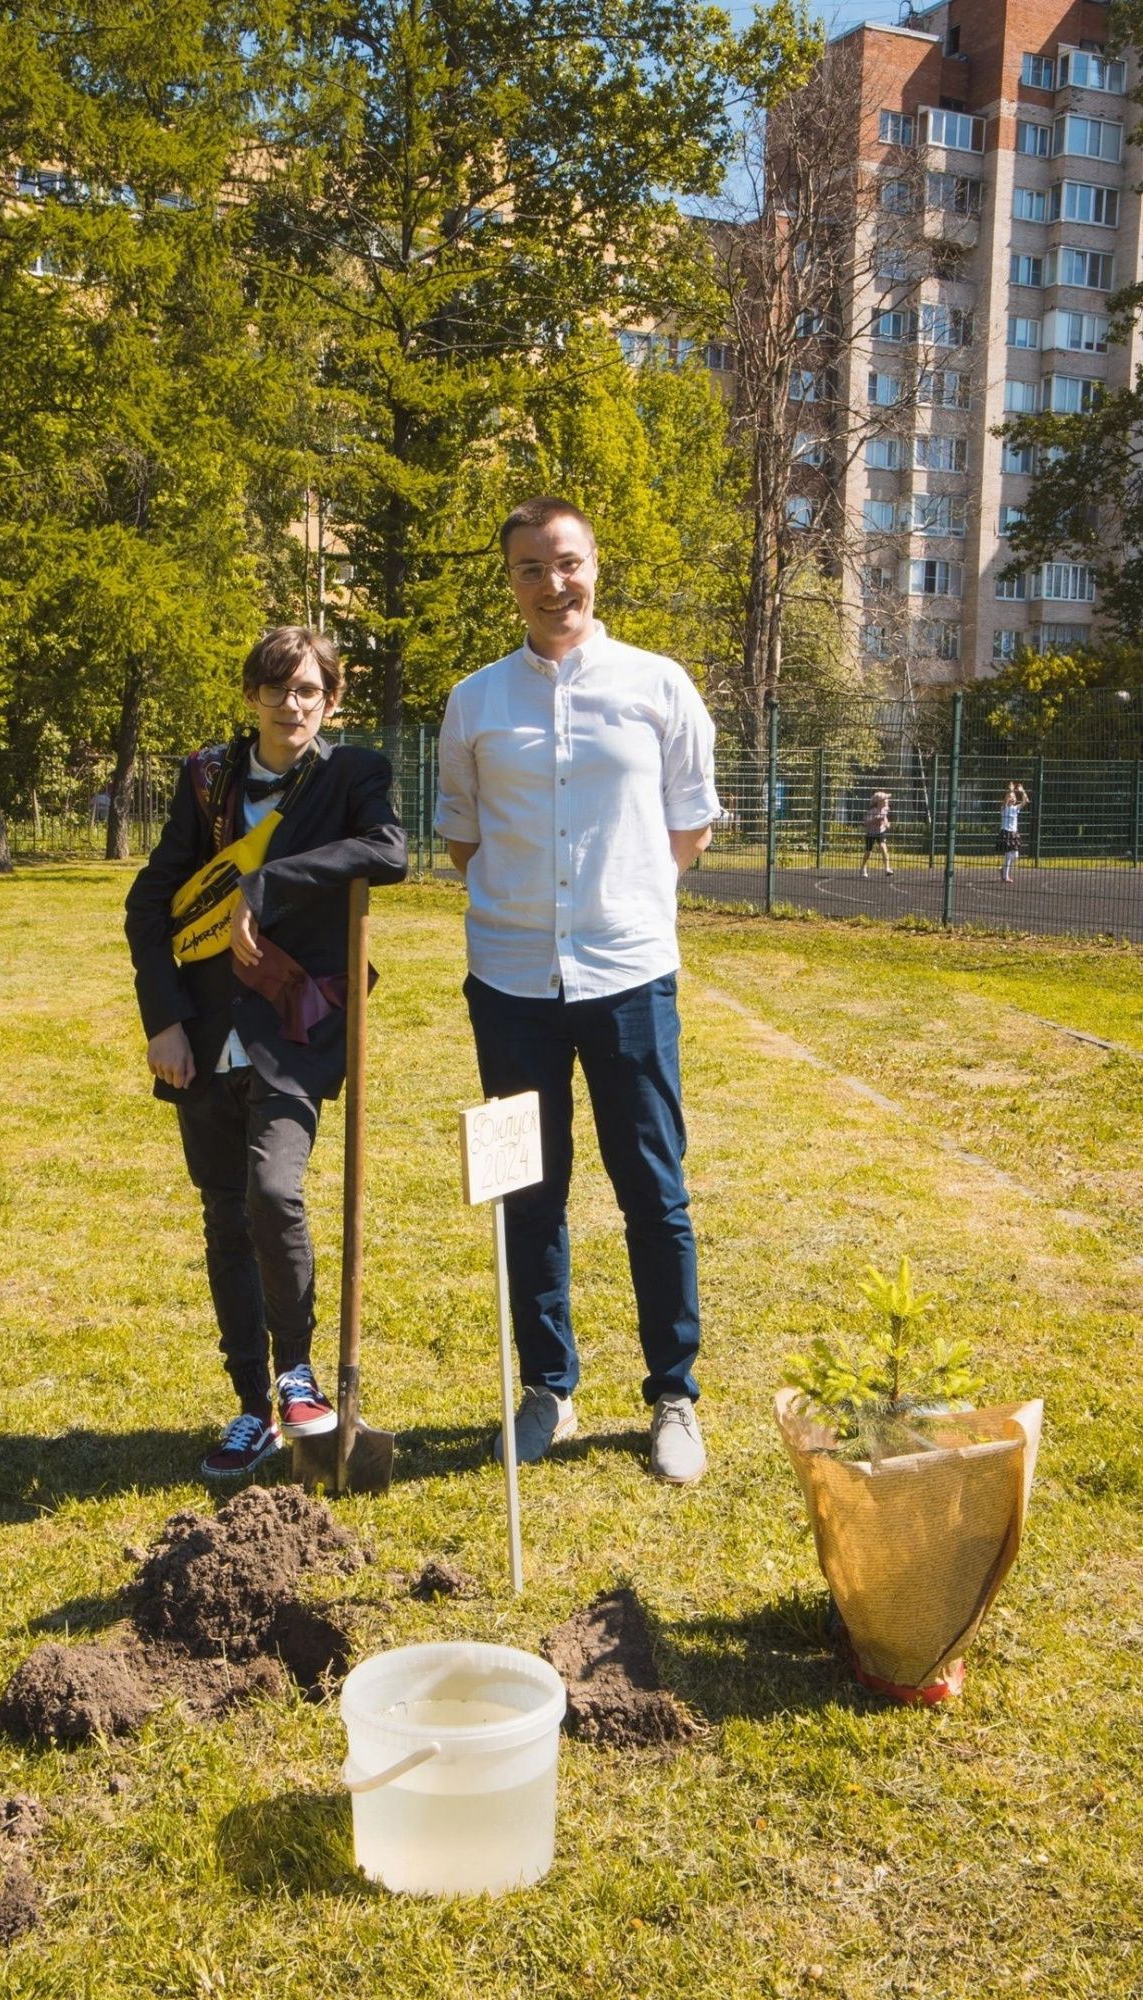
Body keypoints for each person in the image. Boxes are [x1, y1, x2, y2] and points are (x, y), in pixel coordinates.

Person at [434, 496, 722, 1484]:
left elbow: (689, 822)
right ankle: (546, 1386)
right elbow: (463, 837)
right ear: (507, 580)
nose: (552, 584)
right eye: (529, 567)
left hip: (630, 975)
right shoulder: (474, 702)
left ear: (596, 566)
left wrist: (627, 904)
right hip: (509, 981)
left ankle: (672, 1393)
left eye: (567, 562)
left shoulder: (659, 685)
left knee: (653, 1185)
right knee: (527, 1187)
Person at [124, 627, 407, 1487]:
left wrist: (265, 882)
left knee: (274, 1192)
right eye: (277, 688)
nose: (292, 704)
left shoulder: (352, 775)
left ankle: (298, 1378)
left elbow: (387, 853)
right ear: (252, 695)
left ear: (331, 700)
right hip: (204, 1035)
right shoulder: (205, 779)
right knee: (224, 1219)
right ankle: (251, 1406)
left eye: (308, 691)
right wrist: (164, 1019)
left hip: (295, 1030)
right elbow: (149, 906)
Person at [997, 780, 1031, 884]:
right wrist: (1010, 791)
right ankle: (1005, 876)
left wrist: (1022, 791)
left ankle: (1003, 870)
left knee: (1015, 856)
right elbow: (1006, 799)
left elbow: (1026, 801)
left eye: (1014, 797)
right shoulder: (1004, 808)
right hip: (1006, 832)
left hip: (1014, 833)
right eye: (1010, 797)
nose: (1012, 798)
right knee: (1008, 855)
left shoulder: (1016, 808)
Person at [861, 790, 892, 878]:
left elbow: (884, 818)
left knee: (883, 847)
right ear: (879, 802)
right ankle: (863, 867)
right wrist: (875, 819)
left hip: (880, 831)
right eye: (885, 799)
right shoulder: (872, 811)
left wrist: (887, 824)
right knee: (868, 852)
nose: (887, 801)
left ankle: (887, 868)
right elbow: (866, 823)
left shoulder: (885, 808)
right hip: (871, 833)